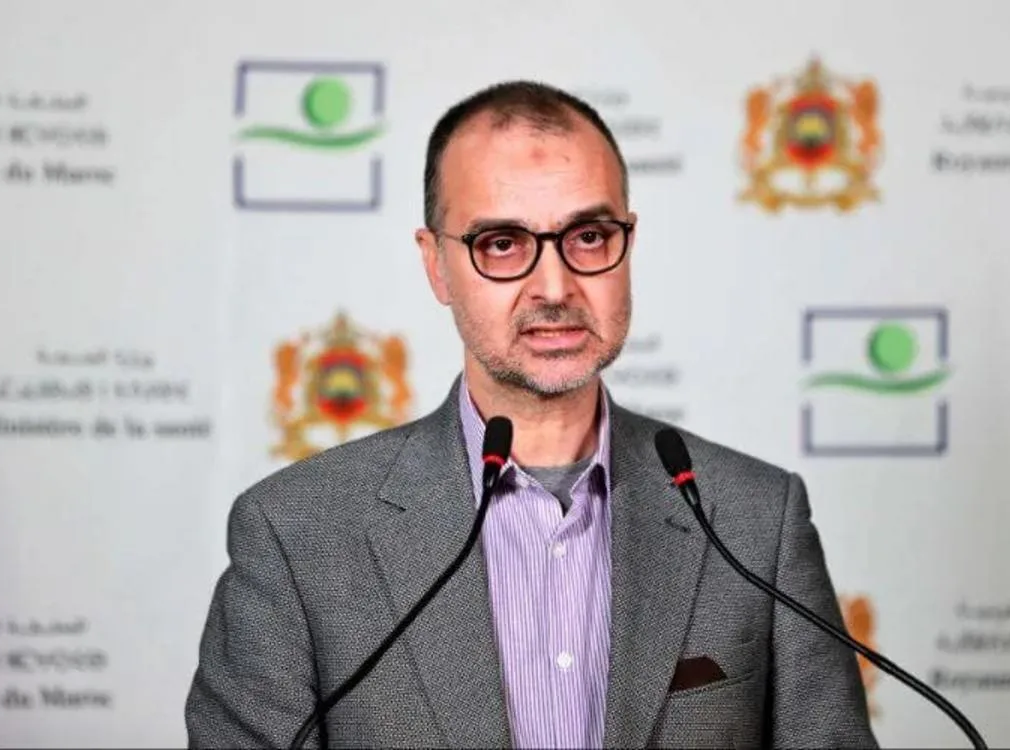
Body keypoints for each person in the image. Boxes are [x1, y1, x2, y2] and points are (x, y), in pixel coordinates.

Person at [185, 80, 877, 749]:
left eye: (589, 236)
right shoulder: (295, 534)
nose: (554, 287)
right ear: (436, 265)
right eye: (502, 244)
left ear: (628, 243)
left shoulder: (757, 520)